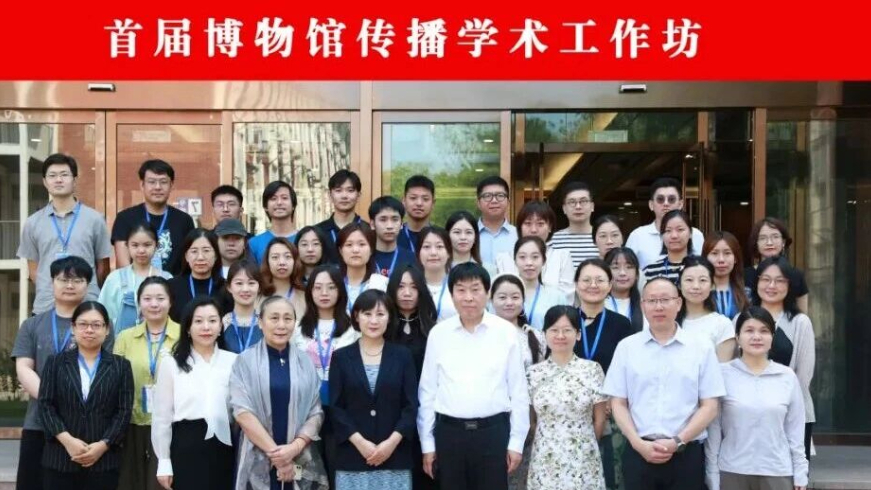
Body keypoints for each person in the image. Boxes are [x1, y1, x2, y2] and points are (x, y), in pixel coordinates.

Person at [604, 277, 726, 490]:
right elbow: (618, 402)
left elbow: (710, 406)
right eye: (652, 301)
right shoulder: (627, 347)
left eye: (665, 300)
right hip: (638, 451)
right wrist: (637, 443)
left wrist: (678, 441)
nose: (658, 306)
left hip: (686, 453)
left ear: (678, 303)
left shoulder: (701, 347)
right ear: (643, 305)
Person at [417, 262, 530, 490]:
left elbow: (518, 391)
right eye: (461, 290)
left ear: (487, 293)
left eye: (475, 289)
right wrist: (428, 444)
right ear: (451, 294)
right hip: (449, 434)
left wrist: (516, 443)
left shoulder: (505, 332)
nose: (468, 297)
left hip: (493, 433)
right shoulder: (439, 334)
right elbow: (427, 391)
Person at [230, 296, 329, 490]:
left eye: (288, 318)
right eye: (274, 318)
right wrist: (280, 458)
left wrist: (294, 448)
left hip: (299, 457)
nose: (281, 325)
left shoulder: (305, 362)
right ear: (260, 322)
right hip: (257, 456)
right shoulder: (245, 361)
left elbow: (315, 412)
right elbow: (242, 413)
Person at [705, 306, 808, 490]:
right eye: (749, 330)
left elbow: (795, 429)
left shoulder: (787, 377)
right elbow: (714, 430)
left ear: (772, 337)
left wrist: (801, 472)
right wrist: (712, 474)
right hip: (732, 470)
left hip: (777, 471)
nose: (757, 337)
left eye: (764, 331)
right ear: (737, 337)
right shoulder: (722, 374)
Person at [12, 256, 92, 490]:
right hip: (39, 424)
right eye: (63, 279)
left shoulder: (96, 324)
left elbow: (103, 369)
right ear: (51, 282)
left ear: (87, 285)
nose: (70, 285)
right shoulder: (32, 325)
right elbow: (24, 368)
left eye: (77, 280)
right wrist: (52, 397)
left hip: (84, 426)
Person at [37, 301, 134, 490]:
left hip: (104, 461)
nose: (89, 330)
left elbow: (123, 411)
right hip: (60, 458)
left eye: (96, 325)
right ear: (73, 328)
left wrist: (103, 445)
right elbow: (45, 405)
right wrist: (68, 441)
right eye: (83, 324)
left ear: (107, 330)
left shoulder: (121, 366)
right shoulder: (55, 363)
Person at [329, 290, 419, 490]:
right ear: (356, 316)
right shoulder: (341, 357)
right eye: (367, 314)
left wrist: (391, 443)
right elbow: (336, 407)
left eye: (380, 314)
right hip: (352, 456)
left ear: (389, 317)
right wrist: (360, 443)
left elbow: (411, 406)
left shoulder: (402, 356)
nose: (373, 321)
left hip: (395, 456)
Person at [152, 297, 238, 490]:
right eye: (198, 321)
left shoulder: (234, 362)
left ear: (221, 326)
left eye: (212, 320)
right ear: (188, 328)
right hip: (186, 445)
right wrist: (164, 461)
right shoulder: (171, 364)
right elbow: (162, 417)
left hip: (225, 447)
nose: (206, 327)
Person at [18, 153, 112, 314]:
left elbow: (103, 268)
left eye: (64, 175)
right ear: (45, 182)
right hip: (47, 306)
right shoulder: (33, 223)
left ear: (74, 180)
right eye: (52, 175)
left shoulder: (95, 219)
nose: (58, 180)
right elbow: (34, 270)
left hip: (87, 305)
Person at [527, 305, 608, 490]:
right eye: (554, 330)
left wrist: (584, 443)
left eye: (567, 330)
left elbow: (600, 420)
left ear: (578, 334)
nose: (560, 336)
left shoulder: (592, 370)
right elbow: (531, 420)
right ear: (544, 334)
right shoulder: (533, 373)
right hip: (545, 456)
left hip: (583, 455)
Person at [294, 264, 361, 484]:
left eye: (331, 287)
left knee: (338, 467)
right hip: (306, 408)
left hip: (343, 407)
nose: (324, 293)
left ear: (340, 290)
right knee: (309, 471)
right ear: (310, 291)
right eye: (318, 287)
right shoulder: (297, 328)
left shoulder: (354, 328)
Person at [113, 276, 180, 490]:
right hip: (133, 422)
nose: (154, 304)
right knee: (131, 482)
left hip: (171, 423)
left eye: (160, 298)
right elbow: (116, 380)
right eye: (147, 298)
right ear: (139, 302)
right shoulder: (125, 337)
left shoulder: (184, 335)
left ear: (170, 301)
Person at [575, 257, 637, 490]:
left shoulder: (622, 324)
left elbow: (627, 369)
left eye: (600, 280)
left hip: (611, 409)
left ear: (610, 285)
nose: (593, 285)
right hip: (573, 409)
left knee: (612, 474)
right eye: (586, 280)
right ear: (576, 284)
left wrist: (613, 398)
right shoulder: (565, 320)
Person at [753, 256, 816, 460]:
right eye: (766, 279)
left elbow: (803, 376)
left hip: (792, 414)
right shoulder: (742, 319)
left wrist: (779, 407)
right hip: (750, 414)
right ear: (756, 282)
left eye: (779, 280)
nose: (771, 286)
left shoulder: (800, 322)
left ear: (789, 285)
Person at [489, 274, 545, 490]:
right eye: (502, 297)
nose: (509, 302)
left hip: (527, 417)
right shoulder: (483, 334)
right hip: (492, 417)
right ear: (491, 299)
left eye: (515, 297)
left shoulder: (535, 336)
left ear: (523, 300)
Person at [386, 263, 437, 490]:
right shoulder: (381, 328)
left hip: (426, 413)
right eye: (401, 286)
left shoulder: (433, 330)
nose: (407, 293)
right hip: (390, 416)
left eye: (413, 287)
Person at [111, 159, 196, 275]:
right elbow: (123, 264)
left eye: (163, 182)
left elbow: (190, 259)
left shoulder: (184, 220)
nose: (158, 187)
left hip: (174, 284)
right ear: (142, 185)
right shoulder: (125, 218)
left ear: (171, 185)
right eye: (152, 182)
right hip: (137, 285)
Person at [98, 224, 173, 335]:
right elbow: (102, 315)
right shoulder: (115, 278)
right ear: (127, 246)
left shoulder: (167, 279)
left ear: (156, 245)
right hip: (120, 341)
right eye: (135, 245)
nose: (141, 250)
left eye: (147, 245)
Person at [496, 200, 574, 303]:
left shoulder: (562, 257)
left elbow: (567, 296)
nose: (533, 230)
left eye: (540, 224)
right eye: (528, 223)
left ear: (550, 227)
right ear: (520, 227)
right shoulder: (504, 259)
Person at [625, 177, 704, 270]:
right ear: (651, 205)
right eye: (660, 199)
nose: (666, 203)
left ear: (680, 204)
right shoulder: (637, 236)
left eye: (671, 199)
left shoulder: (696, 235)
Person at [677, 256, 736, 362]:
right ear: (679, 285)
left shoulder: (722, 324)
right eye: (689, 280)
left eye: (703, 280)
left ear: (712, 286)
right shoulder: (668, 321)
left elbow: (722, 368)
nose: (696, 286)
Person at [746, 218, 809, 313]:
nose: (769, 243)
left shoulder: (796, 275)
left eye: (775, 237)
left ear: (783, 242)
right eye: (763, 238)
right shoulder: (745, 275)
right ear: (756, 243)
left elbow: (803, 312)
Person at [167, 228, 227, 322]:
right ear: (186, 256)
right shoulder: (171, 287)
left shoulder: (226, 288)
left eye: (206, 251)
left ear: (216, 255)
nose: (200, 257)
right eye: (194, 251)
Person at [512, 237, 568, 330]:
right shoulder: (503, 295)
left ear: (544, 260)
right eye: (522, 257)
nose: (529, 263)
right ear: (515, 260)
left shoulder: (557, 296)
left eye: (535, 257)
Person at [337, 222, 390, 310]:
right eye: (349, 245)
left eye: (362, 244)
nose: (355, 250)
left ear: (371, 249)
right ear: (340, 251)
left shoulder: (382, 284)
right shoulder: (333, 283)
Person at [549, 181, 600, 268]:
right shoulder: (553, 241)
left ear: (592, 206)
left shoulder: (603, 238)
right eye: (572, 202)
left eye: (583, 201)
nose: (578, 206)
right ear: (564, 208)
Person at [249, 181, 299, 264]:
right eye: (273, 198)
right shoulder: (254, 243)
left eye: (284, 198)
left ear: (293, 205)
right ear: (265, 207)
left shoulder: (304, 241)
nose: (279, 203)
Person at [703, 231, 750, 320]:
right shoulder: (698, 292)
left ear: (735, 258)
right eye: (714, 253)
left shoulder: (746, 293)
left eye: (727, 253)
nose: (721, 260)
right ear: (705, 258)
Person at [316, 169, 367, 251]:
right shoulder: (318, 232)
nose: (344, 196)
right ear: (330, 195)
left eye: (350, 190)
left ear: (358, 196)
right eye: (338, 190)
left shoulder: (368, 231)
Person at [641, 210, 693, 287]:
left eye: (680, 230)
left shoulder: (700, 268)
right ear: (662, 235)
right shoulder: (649, 271)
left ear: (690, 233)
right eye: (668, 230)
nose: (674, 235)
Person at [369, 196, 418, 279]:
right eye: (383, 220)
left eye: (395, 219)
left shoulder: (411, 258)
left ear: (401, 224)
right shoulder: (365, 257)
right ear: (372, 224)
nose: (389, 226)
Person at [222, 261, 265, 354]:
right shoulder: (222, 324)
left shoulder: (266, 324)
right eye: (239, 283)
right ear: (229, 287)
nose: (245, 289)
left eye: (251, 283)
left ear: (259, 287)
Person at [476, 176, 518, 270]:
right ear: (478, 203)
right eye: (487, 196)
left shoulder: (518, 235)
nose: (494, 200)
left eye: (500, 195)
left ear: (508, 201)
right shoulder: (468, 236)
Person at [417, 227, 458, 322]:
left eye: (439, 247)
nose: (433, 253)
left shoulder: (458, 284)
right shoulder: (411, 285)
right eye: (427, 247)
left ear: (449, 253)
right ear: (418, 253)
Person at [261, 237, 307, 318]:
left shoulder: (306, 297)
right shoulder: (256, 295)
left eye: (287, 257)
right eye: (275, 257)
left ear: (295, 261)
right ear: (267, 262)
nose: (282, 262)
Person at [603, 247, 645, 332]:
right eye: (615, 267)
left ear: (637, 274)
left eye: (629, 267)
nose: (622, 273)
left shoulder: (645, 305)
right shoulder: (598, 304)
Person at [397, 175, 436, 254]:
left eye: (425, 199)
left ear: (433, 203)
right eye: (413, 198)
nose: (419, 203)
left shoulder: (441, 237)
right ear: (403, 201)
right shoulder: (394, 236)